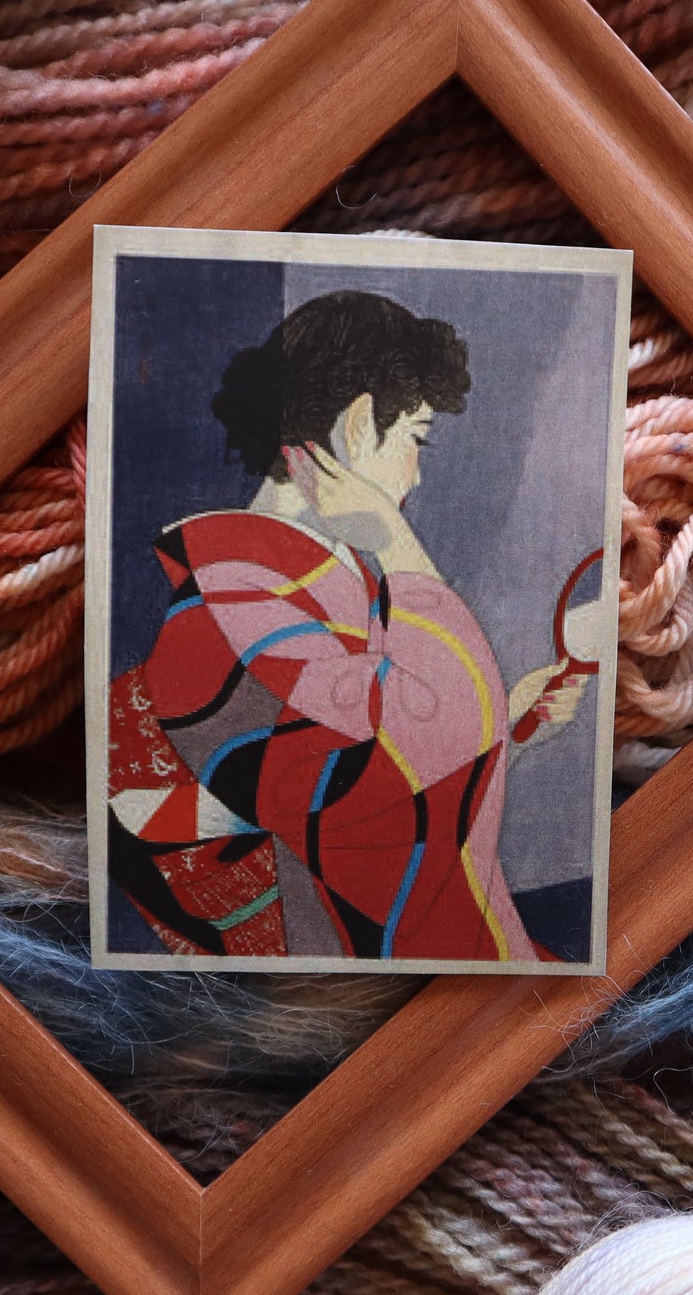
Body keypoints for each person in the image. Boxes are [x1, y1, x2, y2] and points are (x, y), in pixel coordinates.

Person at [107, 289, 588, 962]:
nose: (417, 475)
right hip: (346, 974)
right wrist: (394, 538)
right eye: (416, 438)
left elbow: (388, 768)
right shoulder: (226, 602)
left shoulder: (312, 582)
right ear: (359, 423)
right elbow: (380, 796)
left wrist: (505, 723)